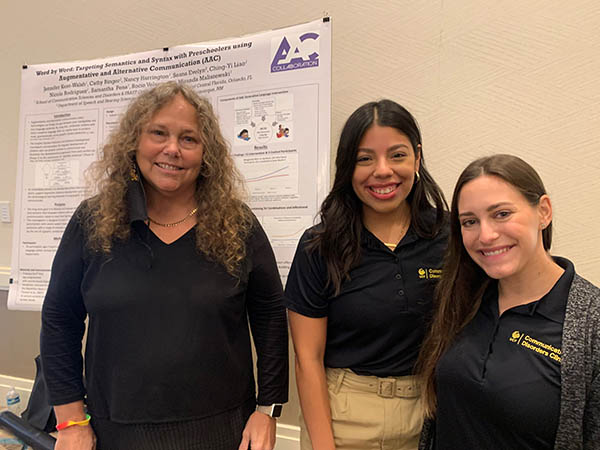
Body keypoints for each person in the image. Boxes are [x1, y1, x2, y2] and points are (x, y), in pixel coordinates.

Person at [40, 82, 288, 450]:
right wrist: (71, 420)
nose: (172, 149)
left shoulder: (239, 225)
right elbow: (60, 320)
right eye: (159, 133)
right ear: (134, 142)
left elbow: (270, 320)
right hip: (115, 432)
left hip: (224, 433)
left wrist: (267, 410)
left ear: (207, 154)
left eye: (189, 139)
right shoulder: (93, 222)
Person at [285, 100, 448, 450]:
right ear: (347, 167)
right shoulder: (319, 246)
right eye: (365, 159)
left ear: (417, 158)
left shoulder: (448, 236)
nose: (383, 170)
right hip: (345, 417)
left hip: (430, 412)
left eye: (397, 155)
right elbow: (307, 359)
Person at [418, 154, 600, 450]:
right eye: (469, 222)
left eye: (501, 214)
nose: (486, 235)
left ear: (543, 211)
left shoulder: (590, 325)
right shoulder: (462, 298)